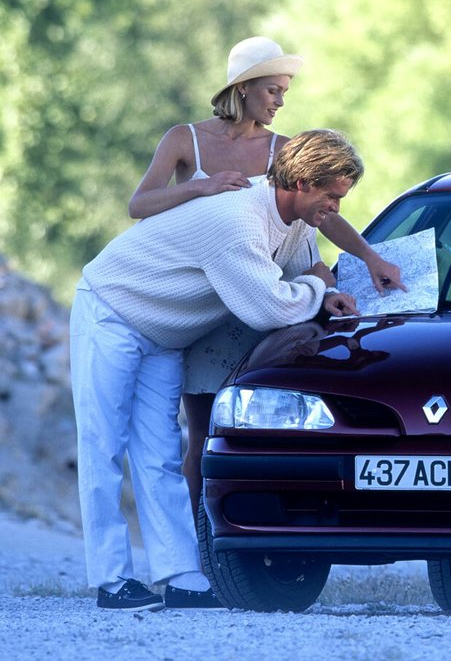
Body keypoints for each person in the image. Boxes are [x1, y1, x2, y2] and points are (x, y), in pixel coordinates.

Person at [71, 128, 363, 611]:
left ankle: (182, 577)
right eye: (330, 196)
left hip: (166, 335)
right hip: (112, 311)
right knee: (102, 445)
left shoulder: (292, 224)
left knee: (162, 454)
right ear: (301, 181)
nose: (335, 207)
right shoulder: (239, 219)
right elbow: (267, 308)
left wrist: (322, 290)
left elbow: (306, 273)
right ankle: (111, 580)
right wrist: (316, 294)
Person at [127, 36, 404, 512]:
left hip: (266, 302)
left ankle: (250, 531)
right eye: (274, 90)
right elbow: (140, 205)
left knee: (253, 429)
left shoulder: (285, 150)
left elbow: (320, 213)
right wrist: (205, 188)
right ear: (244, 87)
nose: (280, 101)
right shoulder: (184, 139)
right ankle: (196, 548)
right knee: (202, 435)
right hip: (206, 306)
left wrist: (369, 256)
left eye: (284, 92)